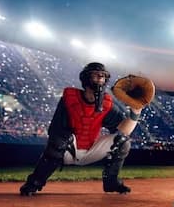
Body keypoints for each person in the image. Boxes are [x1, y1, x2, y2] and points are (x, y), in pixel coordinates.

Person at [20, 62, 142, 195]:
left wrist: (136, 113)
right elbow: (55, 130)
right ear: (86, 78)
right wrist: (62, 141)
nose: (100, 78)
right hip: (68, 150)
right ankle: (34, 183)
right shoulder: (70, 98)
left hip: (90, 150)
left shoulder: (107, 103)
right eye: (96, 75)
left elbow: (124, 131)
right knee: (59, 140)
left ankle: (111, 183)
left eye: (102, 76)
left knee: (123, 141)